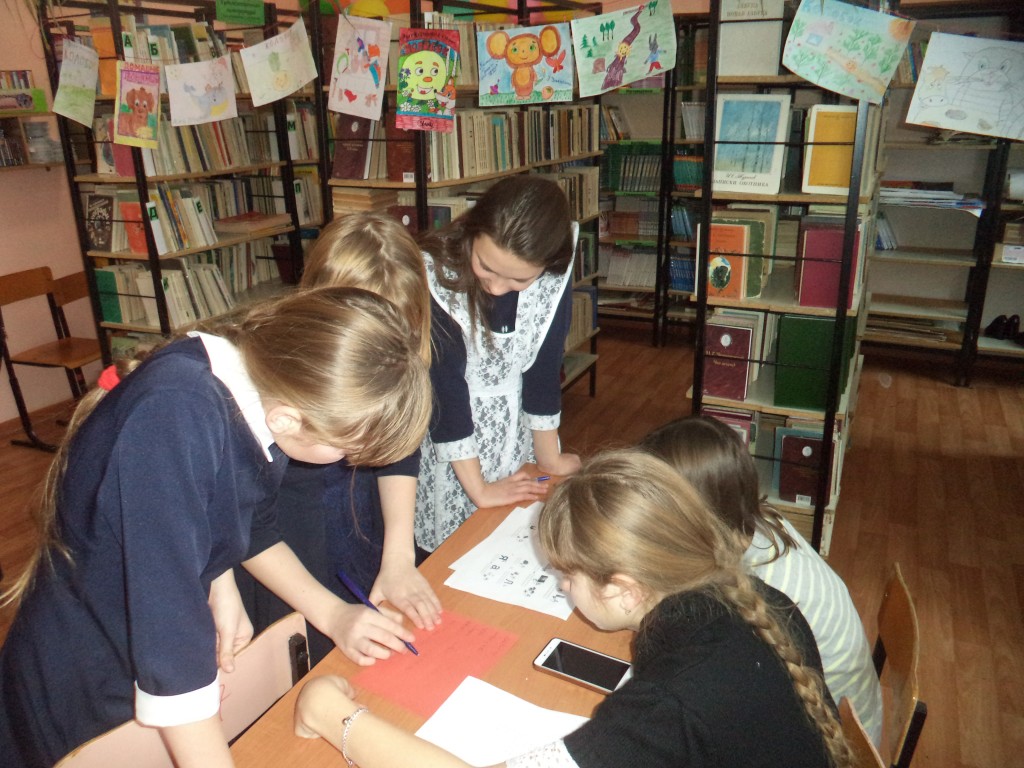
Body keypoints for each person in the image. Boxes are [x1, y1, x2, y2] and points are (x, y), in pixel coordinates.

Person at [0, 287, 431, 768]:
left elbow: (247, 520)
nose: (348, 462)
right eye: (346, 449)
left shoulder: (257, 398)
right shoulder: (175, 413)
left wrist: (331, 614)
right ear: (288, 419)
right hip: (86, 675)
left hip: (135, 651)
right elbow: (170, 640)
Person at [293, 450, 853, 768]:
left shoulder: (670, 705)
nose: (561, 588)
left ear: (626, 589)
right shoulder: (762, 602)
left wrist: (332, 715)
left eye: (566, 576)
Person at [237, 213, 442, 665]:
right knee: (304, 654)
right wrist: (330, 614)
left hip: (358, 520)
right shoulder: (266, 387)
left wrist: (399, 556)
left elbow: (400, 453)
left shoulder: (399, 359)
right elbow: (245, 525)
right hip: (286, 544)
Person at [640, 415, 884, 747]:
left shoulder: (760, 594)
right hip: (835, 717)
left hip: (829, 742)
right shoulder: (753, 520)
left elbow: (714, 692)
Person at [415, 175, 582, 553]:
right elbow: (446, 392)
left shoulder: (554, 267)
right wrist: (480, 490)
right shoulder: (435, 272)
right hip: (453, 442)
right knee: (452, 553)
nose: (495, 288)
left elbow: (544, 367)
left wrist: (549, 458)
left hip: (514, 432)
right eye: (485, 267)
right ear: (473, 232)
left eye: (518, 279)